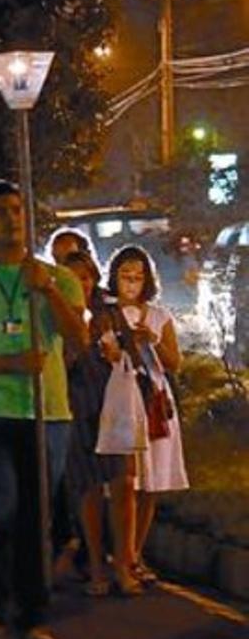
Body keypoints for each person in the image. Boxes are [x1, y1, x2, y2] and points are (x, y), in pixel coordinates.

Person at [0, 180, 88, 639]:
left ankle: (33, 613)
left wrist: (47, 293)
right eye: (0, 211)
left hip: (47, 413)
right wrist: (9, 363)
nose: (11, 217)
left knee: (35, 517)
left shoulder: (56, 278)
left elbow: (79, 342)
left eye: (17, 209)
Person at [59, 250, 141, 598]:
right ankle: (95, 564)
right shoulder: (56, 316)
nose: (84, 282)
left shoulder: (108, 314)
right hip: (78, 407)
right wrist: (74, 350)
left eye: (87, 276)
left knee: (123, 484)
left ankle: (124, 562)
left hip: (113, 407)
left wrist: (117, 355)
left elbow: (133, 357)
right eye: (75, 277)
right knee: (89, 488)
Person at [106, 245, 188, 586]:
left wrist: (152, 341)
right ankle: (120, 555)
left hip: (154, 399)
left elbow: (174, 363)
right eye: (126, 276)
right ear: (114, 277)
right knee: (126, 482)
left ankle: (135, 553)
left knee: (151, 483)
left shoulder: (159, 315)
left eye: (138, 277)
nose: (131, 283)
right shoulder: (106, 314)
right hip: (122, 397)